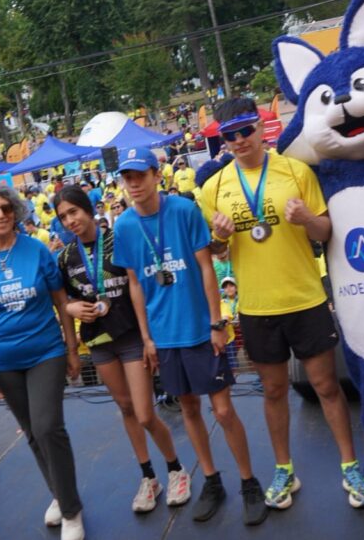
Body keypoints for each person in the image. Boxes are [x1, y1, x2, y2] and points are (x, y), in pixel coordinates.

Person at [198, 99, 364, 513]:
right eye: (230, 135)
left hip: (305, 298)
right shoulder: (213, 188)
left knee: (328, 387)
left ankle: (350, 465)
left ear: (262, 128)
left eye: (246, 130)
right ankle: (283, 469)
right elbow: (218, 251)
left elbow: (325, 230)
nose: (240, 141)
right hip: (257, 307)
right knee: (274, 391)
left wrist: (306, 221)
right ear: (222, 140)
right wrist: (220, 238)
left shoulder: (296, 171)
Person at [113, 147, 268, 527]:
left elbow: (205, 266)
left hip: (200, 329)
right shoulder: (124, 226)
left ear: (155, 175)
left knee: (224, 410)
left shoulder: (182, 211)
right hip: (163, 337)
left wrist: (216, 322)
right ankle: (212, 481)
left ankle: (249, 482)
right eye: (127, 177)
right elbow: (135, 284)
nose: (133, 184)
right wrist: (147, 338)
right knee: (188, 408)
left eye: (139, 175)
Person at [0, 183, 85, 540]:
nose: (0, 215)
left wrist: (72, 350)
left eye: (5, 208)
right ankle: (60, 494)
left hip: (46, 352)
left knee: (48, 427)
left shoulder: (37, 250)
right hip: (1, 361)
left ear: (15, 210)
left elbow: (61, 302)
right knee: (31, 432)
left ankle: (72, 510)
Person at [54, 185, 188, 514]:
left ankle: (176, 469)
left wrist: (147, 337)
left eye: (74, 212)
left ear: (89, 209)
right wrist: (71, 309)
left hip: (130, 336)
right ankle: (148, 477)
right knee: (126, 409)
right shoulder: (66, 257)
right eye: (63, 217)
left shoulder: (120, 238)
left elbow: (138, 284)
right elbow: (64, 300)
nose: (70, 221)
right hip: (99, 341)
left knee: (144, 412)